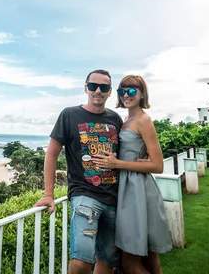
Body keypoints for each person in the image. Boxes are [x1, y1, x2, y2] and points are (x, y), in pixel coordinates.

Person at [35, 69, 123, 274]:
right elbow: (51, 154)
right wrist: (48, 194)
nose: (98, 91)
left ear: (110, 91)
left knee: (108, 260)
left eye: (104, 87)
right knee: (81, 261)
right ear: (86, 88)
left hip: (114, 197)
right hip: (85, 195)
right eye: (93, 86)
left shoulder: (115, 119)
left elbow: (124, 153)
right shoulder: (69, 115)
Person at [92, 75, 172, 274]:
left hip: (138, 191)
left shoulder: (144, 120)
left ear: (142, 93)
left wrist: (117, 163)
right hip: (128, 188)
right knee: (150, 256)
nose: (126, 95)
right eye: (122, 91)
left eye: (132, 91)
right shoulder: (125, 120)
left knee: (129, 263)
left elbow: (158, 165)